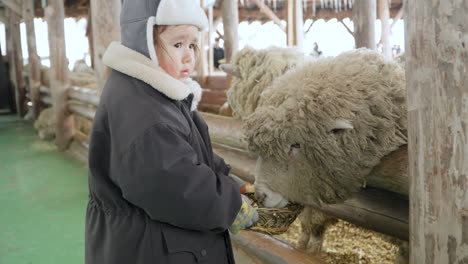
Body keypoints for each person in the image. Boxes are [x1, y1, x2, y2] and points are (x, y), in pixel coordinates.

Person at [85, 1, 258, 263]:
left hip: (151, 242)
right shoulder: (144, 112)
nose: (189, 55)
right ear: (143, 42)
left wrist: (230, 183)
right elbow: (174, 183)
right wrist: (230, 206)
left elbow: (191, 153)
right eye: (177, 45)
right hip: (153, 248)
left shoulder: (153, 93)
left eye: (192, 44)